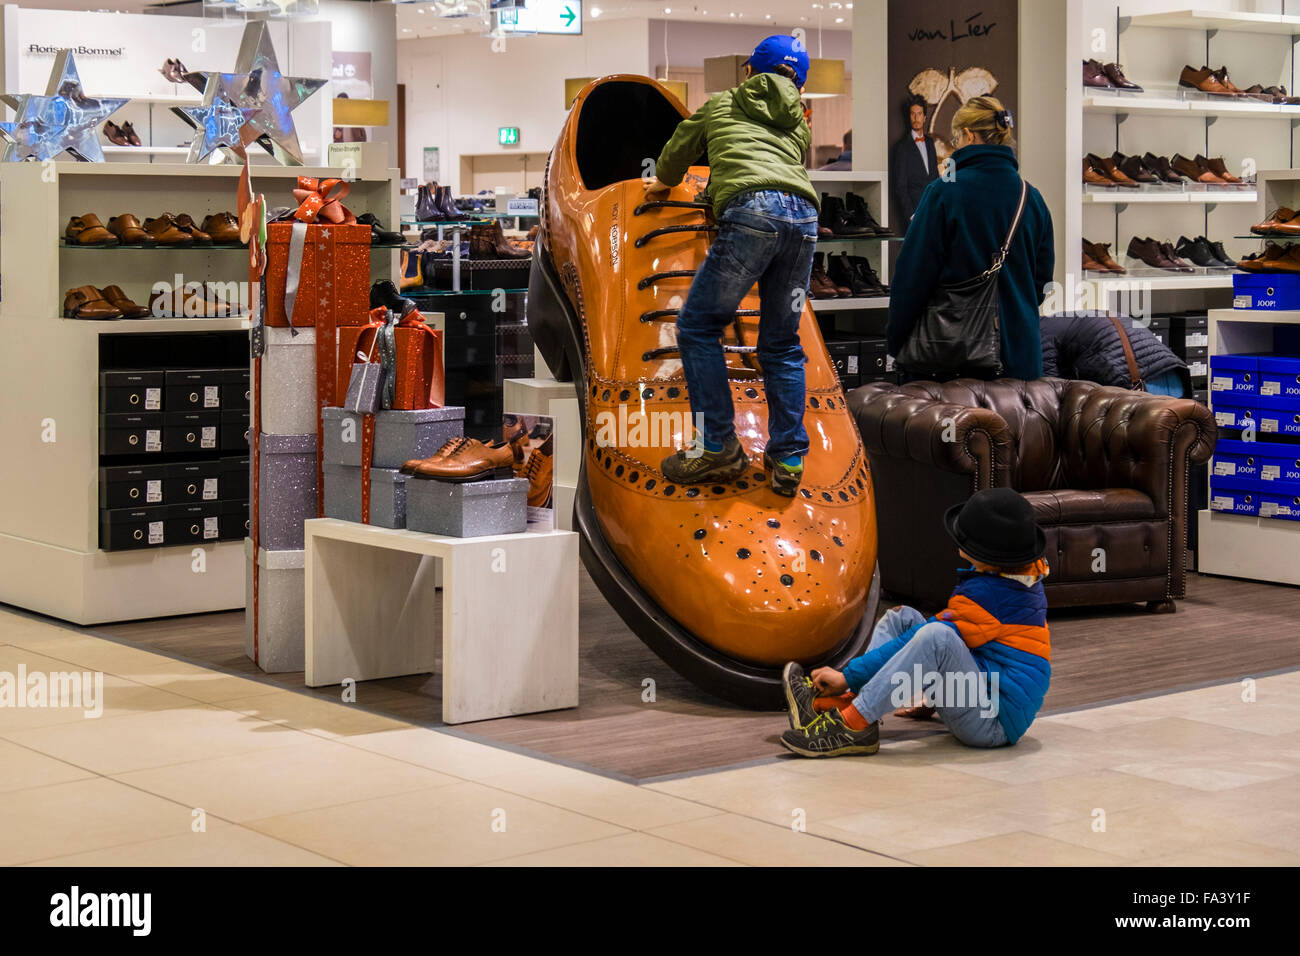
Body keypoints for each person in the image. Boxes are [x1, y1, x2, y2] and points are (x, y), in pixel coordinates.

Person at [646, 35, 821, 497]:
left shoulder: (721, 103)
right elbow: (782, 163)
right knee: (782, 343)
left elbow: (680, 148)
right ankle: (787, 456)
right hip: (804, 218)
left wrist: (660, 184)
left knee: (699, 327)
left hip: (751, 214)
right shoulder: (799, 123)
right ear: (799, 83)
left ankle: (717, 443)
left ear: (749, 71)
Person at [778, 488, 1051, 757]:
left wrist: (847, 675)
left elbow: (937, 642)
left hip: (991, 724)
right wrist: (935, 697)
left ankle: (853, 725)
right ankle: (848, 704)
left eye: (964, 539)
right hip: (981, 698)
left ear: (988, 555)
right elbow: (982, 650)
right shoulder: (1013, 578)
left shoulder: (992, 596)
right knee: (903, 618)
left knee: (936, 636)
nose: (957, 541)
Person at [888, 96, 1055, 382]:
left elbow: (912, 279)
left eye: (955, 138)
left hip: (954, 362)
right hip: (1021, 362)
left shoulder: (943, 193)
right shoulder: (1033, 198)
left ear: (968, 135)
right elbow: (1041, 285)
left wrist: (896, 342)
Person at [1040, 311, 1191, 396]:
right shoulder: (1067, 318)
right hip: (1173, 373)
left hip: (1138, 381)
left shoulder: (1040, 331)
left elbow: (1051, 389)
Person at [890, 96, 939, 226]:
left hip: (933, 210)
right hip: (915, 214)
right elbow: (900, 186)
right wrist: (911, 215)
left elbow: (934, 177)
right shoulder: (901, 147)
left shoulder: (930, 143)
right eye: (912, 114)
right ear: (909, 117)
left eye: (919, 114)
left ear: (924, 118)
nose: (916, 118)